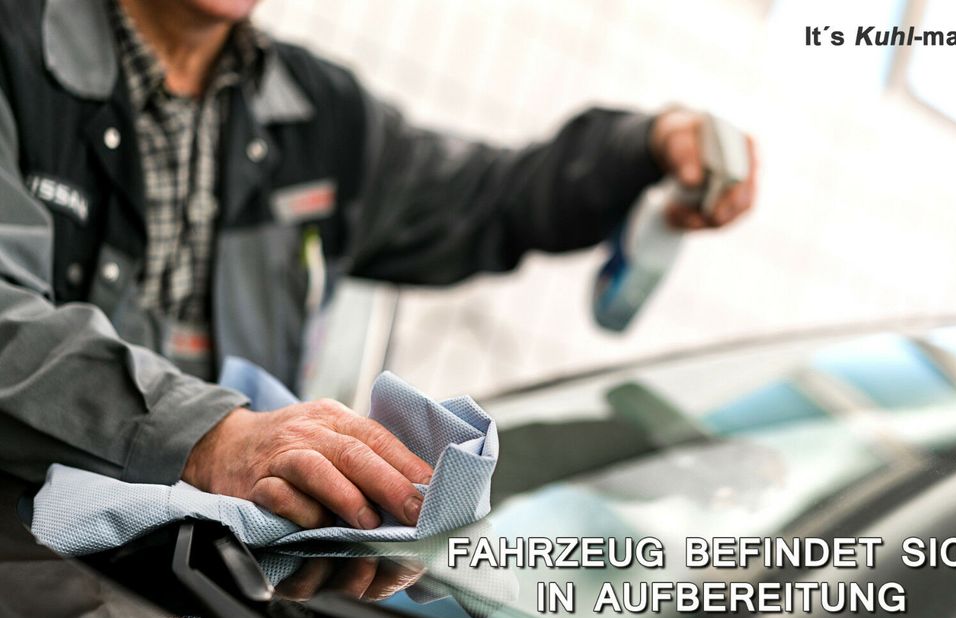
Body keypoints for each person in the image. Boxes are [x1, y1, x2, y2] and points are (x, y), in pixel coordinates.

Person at [0, 0, 756, 531]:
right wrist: (212, 439)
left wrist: (643, 145)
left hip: (217, 599)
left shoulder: (320, 117)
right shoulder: (13, 49)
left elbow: (492, 200)